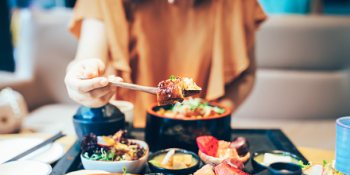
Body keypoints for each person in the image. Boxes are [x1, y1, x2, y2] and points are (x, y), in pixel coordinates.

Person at [65, 0, 266, 127]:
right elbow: (86, 61)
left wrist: (211, 113)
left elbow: (246, 75)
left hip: (205, 131)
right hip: (131, 131)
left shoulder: (238, 3)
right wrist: (81, 82)